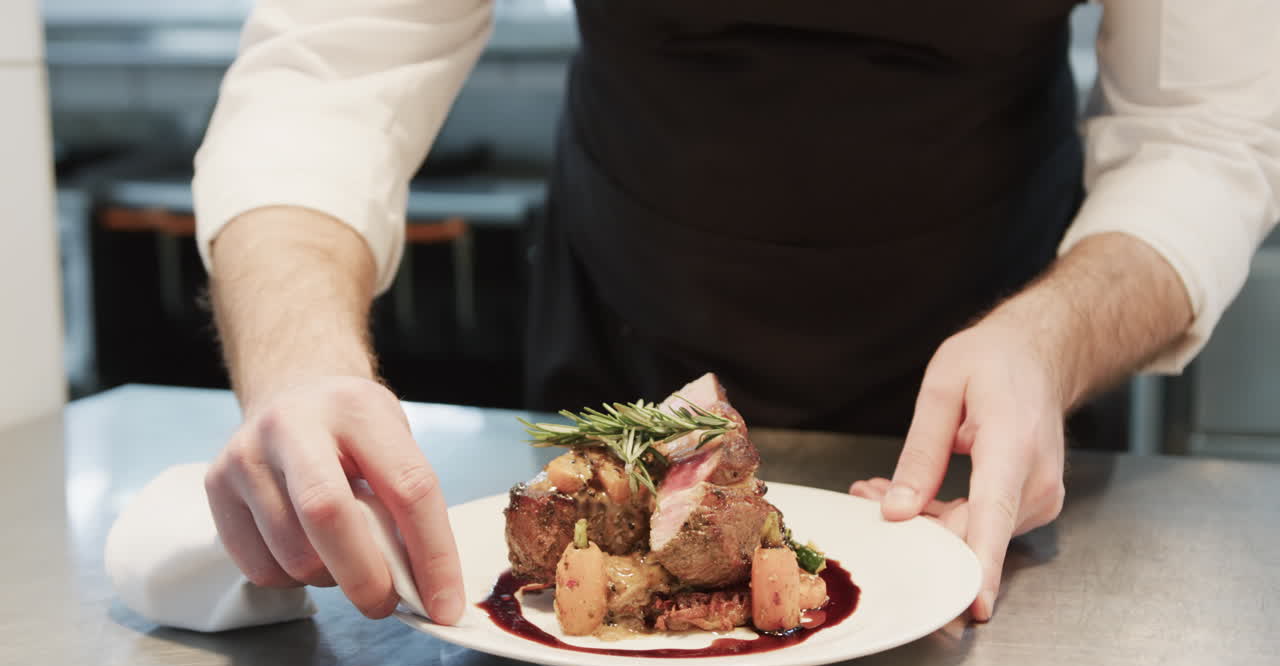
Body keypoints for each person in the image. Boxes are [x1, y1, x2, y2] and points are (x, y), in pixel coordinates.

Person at [194, 0, 1280, 626]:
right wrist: (298, 366)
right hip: (624, 321)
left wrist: (1053, 337)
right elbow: (331, 65)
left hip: (993, 361)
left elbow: (1201, 132)